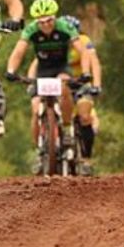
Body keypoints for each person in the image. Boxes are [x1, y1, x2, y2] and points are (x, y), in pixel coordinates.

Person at [5, 0, 100, 174]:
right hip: (43, 70)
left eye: (49, 20)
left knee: (64, 87)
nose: (46, 25)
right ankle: (39, 150)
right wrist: (11, 70)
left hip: (61, 68)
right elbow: (19, 50)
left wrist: (86, 72)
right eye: (41, 22)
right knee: (35, 108)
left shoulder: (65, 27)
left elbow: (83, 52)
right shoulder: (31, 30)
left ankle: (66, 128)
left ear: (55, 17)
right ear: (36, 21)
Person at [27, 14, 103, 175]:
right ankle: (41, 148)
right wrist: (31, 83)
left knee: (84, 116)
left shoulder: (84, 42)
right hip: (60, 82)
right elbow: (36, 63)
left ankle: (86, 160)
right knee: (37, 108)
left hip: (80, 83)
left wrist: (96, 84)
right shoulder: (54, 43)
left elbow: (94, 62)